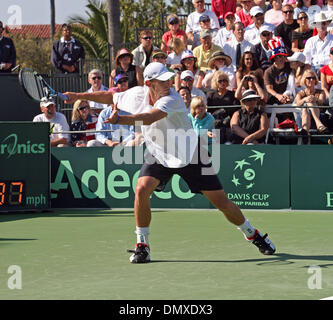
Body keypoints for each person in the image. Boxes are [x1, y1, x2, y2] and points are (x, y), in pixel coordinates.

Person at [63, 62, 276, 263]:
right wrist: (78, 96)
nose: (168, 84)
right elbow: (111, 97)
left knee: (222, 202)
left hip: (190, 154)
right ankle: (142, 245)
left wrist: (120, 120)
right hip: (159, 153)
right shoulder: (136, 94)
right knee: (141, 189)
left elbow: (148, 118)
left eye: (168, 79)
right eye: (162, 81)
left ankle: (252, 233)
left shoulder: (172, 99)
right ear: (149, 84)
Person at [296, 69, 329, 137]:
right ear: (304, 80)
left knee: (309, 103)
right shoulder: (300, 94)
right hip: (305, 118)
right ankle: (319, 125)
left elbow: (321, 101)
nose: (311, 80)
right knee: (306, 105)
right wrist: (305, 99)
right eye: (308, 78)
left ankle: (305, 130)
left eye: (313, 78)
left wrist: (315, 99)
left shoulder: (321, 92)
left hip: (320, 116)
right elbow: (298, 103)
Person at [303, 12, 333, 77]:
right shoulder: (310, 41)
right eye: (319, 24)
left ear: (327, 25)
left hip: (330, 71)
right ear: (315, 26)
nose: (322, 26)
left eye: (324, 23)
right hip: (314, 71)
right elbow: (307, 61)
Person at [264, 38, 292, 105]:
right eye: (279, 56)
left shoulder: (290, 66)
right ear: (274, 57)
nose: (282, 58)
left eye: (283, 56)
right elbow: (269, 88)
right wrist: (278, 96)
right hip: (274, 98)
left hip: (289, 95)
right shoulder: (268, 71)